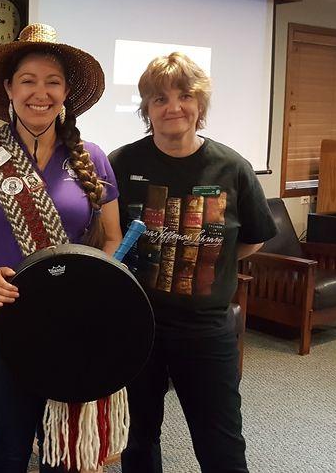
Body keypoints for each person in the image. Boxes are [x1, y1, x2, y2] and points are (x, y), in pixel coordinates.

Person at [0, 23, 123, 472]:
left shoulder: (92, 156)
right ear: (8, 87)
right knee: (7, 445)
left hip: (71, 322)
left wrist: (96, 285)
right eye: (28, 80)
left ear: (66, 92)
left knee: (62, 446)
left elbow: (114, 237)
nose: (39, 93)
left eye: (52, 82)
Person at [109, 52, 277, 473]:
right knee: (138, 438)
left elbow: (252, 239)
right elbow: (105, 237)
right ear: (146, 108)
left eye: (185, 96)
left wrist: (206, 261)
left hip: (206, 329)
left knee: (220, 442)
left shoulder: (232, 168)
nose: (174, 107)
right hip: (137, 326)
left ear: (200, 105)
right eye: (160, 98)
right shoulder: (121, 163)